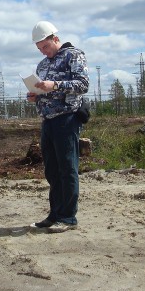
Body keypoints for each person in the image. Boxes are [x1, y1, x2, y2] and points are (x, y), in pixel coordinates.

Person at [27, 21, 89, 233]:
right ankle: (55, 214)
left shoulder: (73, 56)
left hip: (67, 119)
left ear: (55, 39)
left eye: (45, 46)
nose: (43, 52)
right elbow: (43, 89)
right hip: (48, 120)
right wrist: (35, 96)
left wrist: (55, 85)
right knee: (52, 171)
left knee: (67, 168)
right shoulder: (42, 65)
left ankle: (68, 217)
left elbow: (83, 84)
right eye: (39, 49)